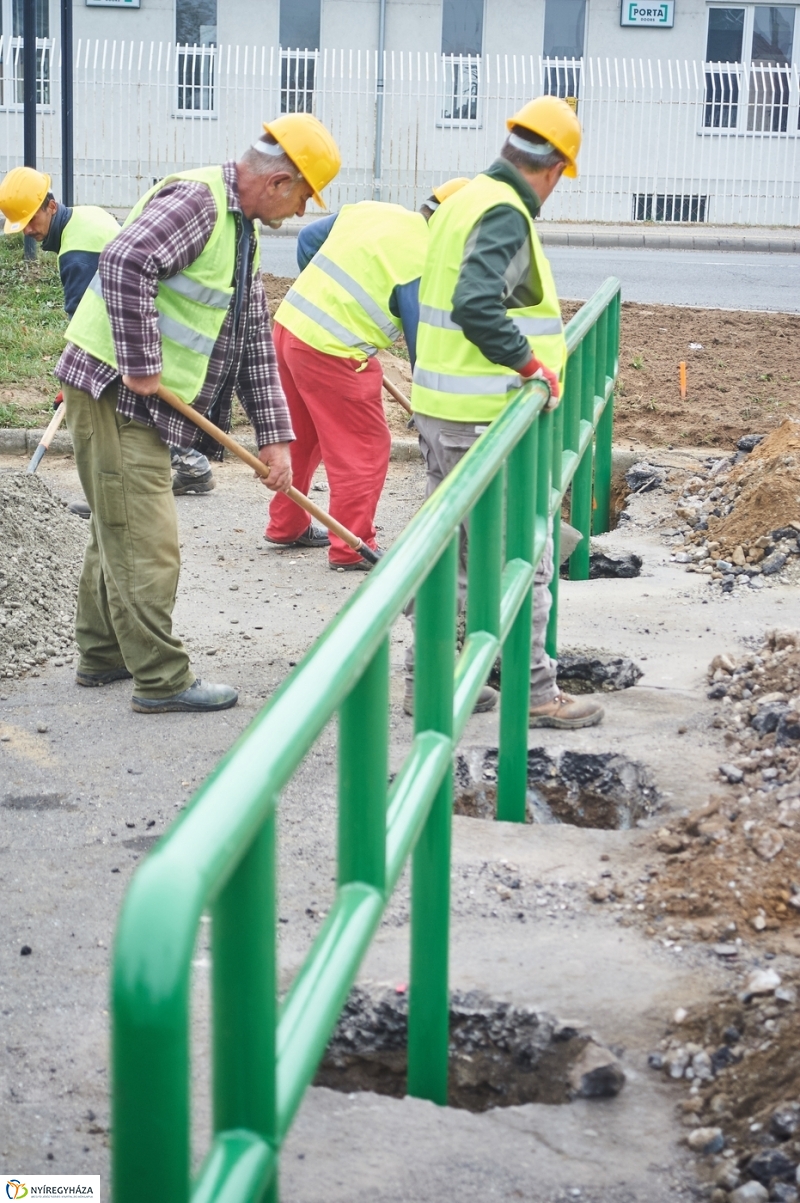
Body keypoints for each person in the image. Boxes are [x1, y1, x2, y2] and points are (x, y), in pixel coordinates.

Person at [56, 113, 341, 713]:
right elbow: (124, 260)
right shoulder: (200, 202)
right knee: (146, 539)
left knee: (118, 524)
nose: (300, 212)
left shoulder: (243, 228)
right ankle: (160, 679)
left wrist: (275, 439)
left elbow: (251, 337)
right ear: (279, 181)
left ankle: (102, 654)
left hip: (136, 396)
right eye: (303, 197)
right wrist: (140, 362)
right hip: (115, 388)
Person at [408, 96, 604, 729]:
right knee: (526, 554)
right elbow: (476, 304)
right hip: (483, 420)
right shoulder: (504, 211)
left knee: (455, 559)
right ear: (552, 169)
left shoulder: (463, 198)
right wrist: (530, 366)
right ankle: (538, 691)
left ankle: (430, 683)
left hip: (443, 412)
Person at [264, 181, 467, 569]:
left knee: (302, 439)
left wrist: (329, 300)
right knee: (365, 448)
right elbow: (422, 348)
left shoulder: (376, 210)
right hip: (331, 352)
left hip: (289, 326)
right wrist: (432, 407)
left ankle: (287, 524)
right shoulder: (424, 262)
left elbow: (308, 239)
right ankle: (351, 546)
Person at [0, 167, 213, 499]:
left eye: (32, 220)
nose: (29, 230)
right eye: (22, 225)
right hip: (136, 314)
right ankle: (191, 465)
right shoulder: (83, 218)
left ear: (51, 207)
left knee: (114, 407)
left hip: (127, 323)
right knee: (139, 401)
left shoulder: (76, 254)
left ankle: (114, 495)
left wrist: (73, 380)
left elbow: (85, 323)